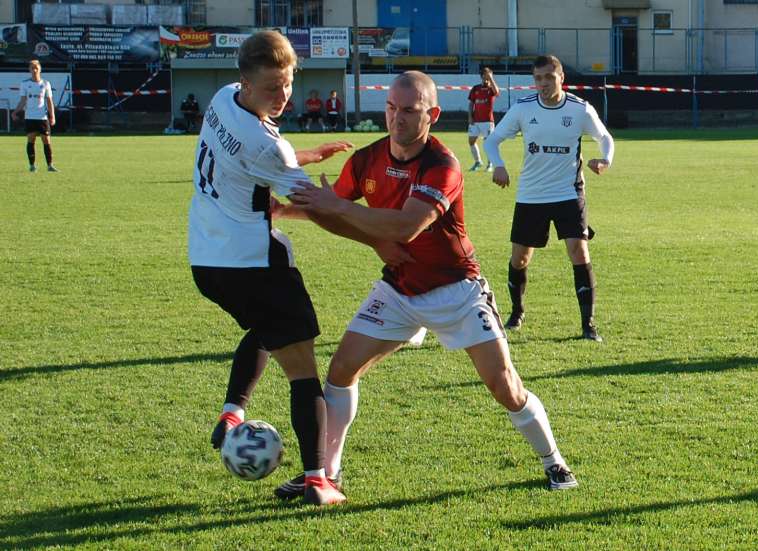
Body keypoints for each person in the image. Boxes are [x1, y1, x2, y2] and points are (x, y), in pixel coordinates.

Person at [270, 70, 578, 500]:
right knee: (340, 371)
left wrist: (340, 210)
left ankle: (553, 460)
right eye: (392, 108)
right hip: (399, 289)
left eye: (409, 110)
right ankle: (327, 475)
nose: (397, 118)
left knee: (504, 386)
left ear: (431, 114)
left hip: (458, 290)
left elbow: (407, 226)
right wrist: (283, 212)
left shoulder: (443, 165)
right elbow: (333, 210)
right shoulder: (367, 159)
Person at [187, 30, 353, 506]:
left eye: (287, 83)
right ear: (245, 80)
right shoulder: (268, 146)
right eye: (270, 88)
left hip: (207, 258)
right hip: (253, 263)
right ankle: (318, 479)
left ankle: (233, 411)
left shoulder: (222, 100)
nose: (282, 96)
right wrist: (380, 234)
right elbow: (317, 207)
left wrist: (306, 156)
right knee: (303, 368)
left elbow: (251, 160)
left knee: (266, 330)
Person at [484, 55, 614, 341]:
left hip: (569, 192)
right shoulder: (523, 109)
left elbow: (605, 137)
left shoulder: (580, 109)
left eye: (548, 77)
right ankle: (517, 313)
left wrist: (605, 160)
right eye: (538, 78)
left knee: (579, 252)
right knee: (520, 258)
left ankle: (588, 325)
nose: (542, 84)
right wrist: (499, 165)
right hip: (531, 194)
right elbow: (492, 140)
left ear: (561, 78)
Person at [12, 59, 58, 173]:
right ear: (29, 70)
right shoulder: (24, 84)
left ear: (40, 69)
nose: (34, 70)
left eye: (36, 68)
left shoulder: (46, 84)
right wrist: (15, 112)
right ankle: (32, 166)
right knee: (31, 139)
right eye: (32, 68)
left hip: (42, 117)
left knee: (46, 140)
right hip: (30, 117)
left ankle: (50, 165)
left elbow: (49, 101)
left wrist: (52, 116)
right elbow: (22, 101)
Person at [466, 67, 499, 172]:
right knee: (471, 141)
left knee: (488, 143)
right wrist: (470, 116)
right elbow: (471, 103)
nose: (486, 78)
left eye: (488, 75)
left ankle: (490, 164)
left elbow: (497, 92)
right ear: (481, 76)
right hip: (475, 121)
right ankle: (478, 162)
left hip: (487, 121)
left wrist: (491, 78)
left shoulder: (491, 89)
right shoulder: (475, 88)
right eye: (485, 75)